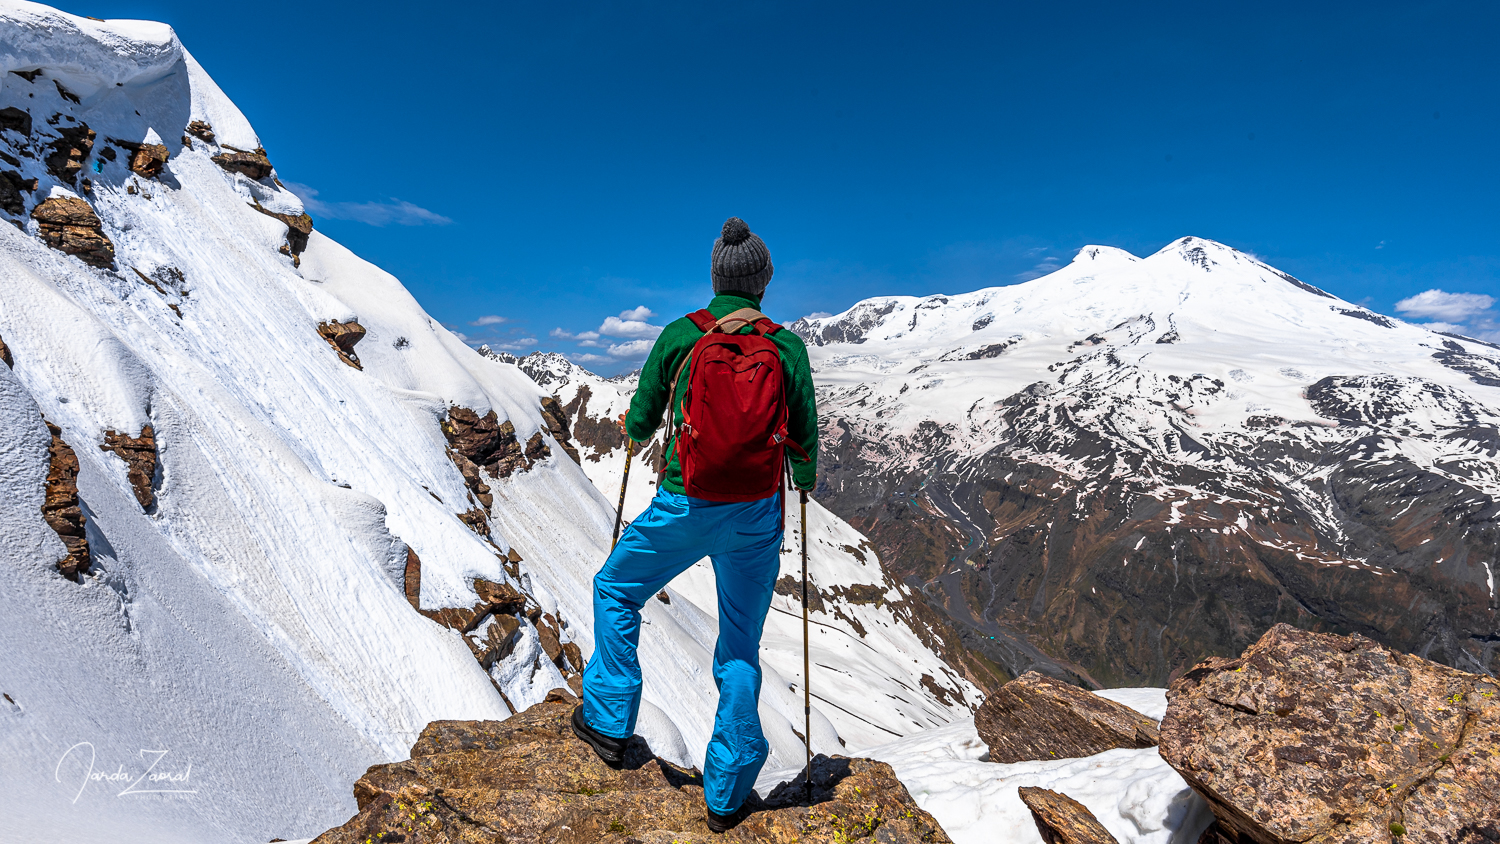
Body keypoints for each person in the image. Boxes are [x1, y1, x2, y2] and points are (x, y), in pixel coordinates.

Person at [572, 217, 818, 832]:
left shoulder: (684, 334)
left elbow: (644, 412)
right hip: (756, 517)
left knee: (616, 588)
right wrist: (805, 480)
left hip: (685, 504)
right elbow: (804, 434)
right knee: (739, 644)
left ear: (715, 277)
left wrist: (631, 435)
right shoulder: (786, 347)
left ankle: (607, 718)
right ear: (763, 280)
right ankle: (728, 789)